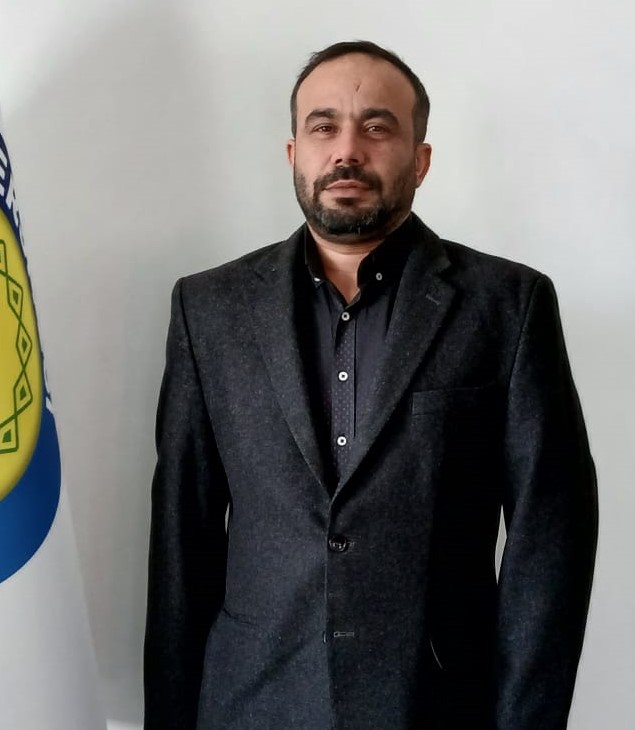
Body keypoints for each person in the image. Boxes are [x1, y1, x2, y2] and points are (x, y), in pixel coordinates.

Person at [143, 40, 598, 730]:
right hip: (251, 703)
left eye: (377, 127)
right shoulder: (209, 309)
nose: (346, 150)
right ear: (293, 153)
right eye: (323, 127)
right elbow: (183, 538)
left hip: (438, 706)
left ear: (420, 159)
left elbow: (550, 541)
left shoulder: (507, 306)